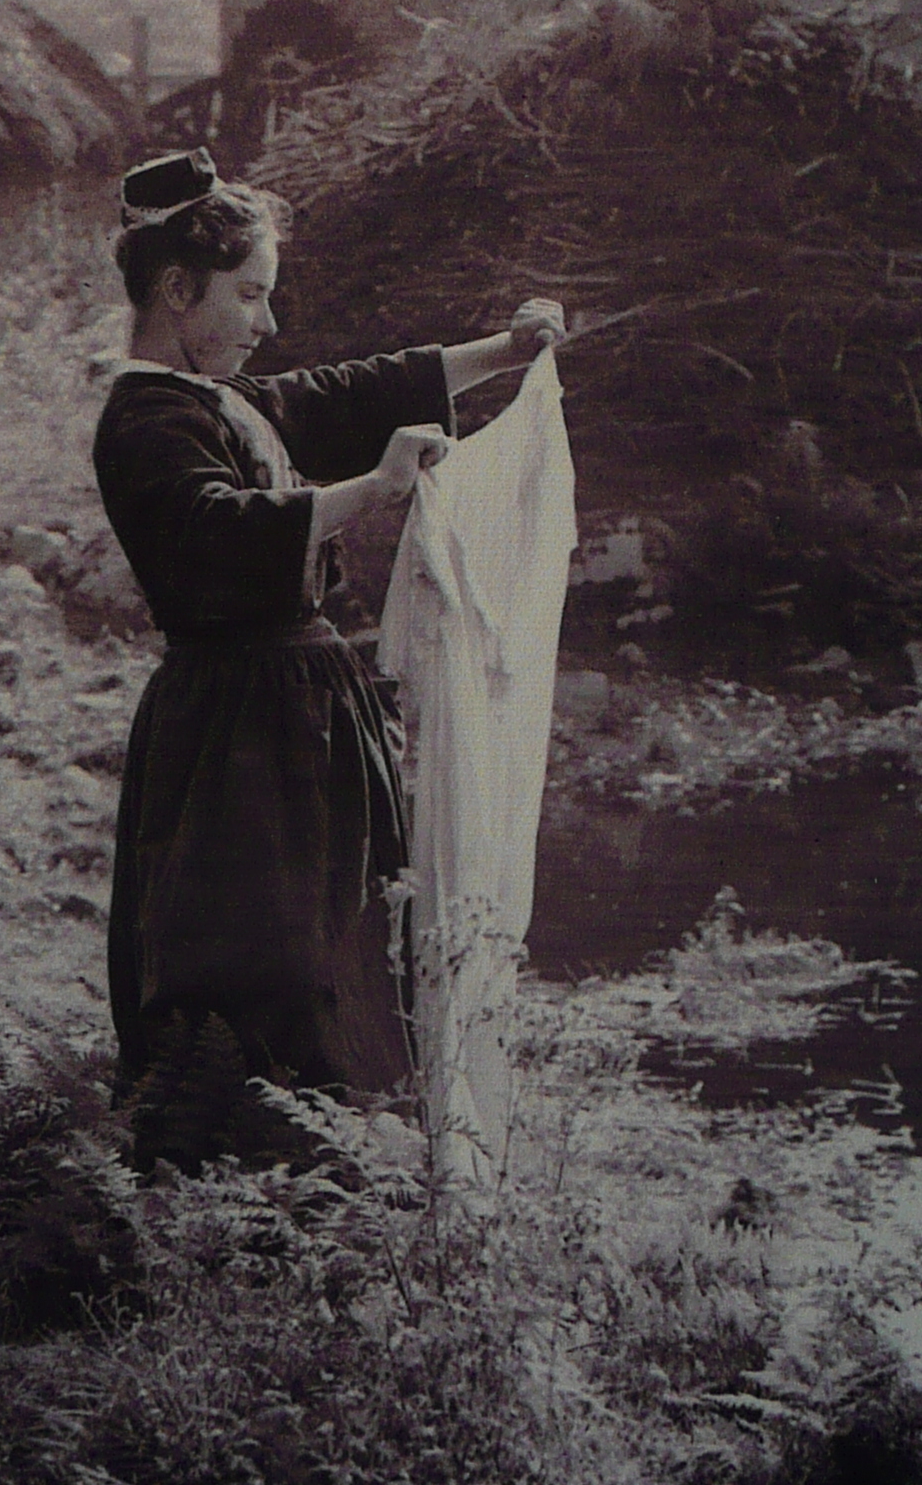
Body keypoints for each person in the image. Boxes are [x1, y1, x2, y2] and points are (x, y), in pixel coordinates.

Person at [93, 145, 562, 1168]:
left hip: (291, 706)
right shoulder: (142, 419)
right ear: (178, 291)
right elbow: (217, 525)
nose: (266, 322)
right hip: (234, 727)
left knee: (338, 935)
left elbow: (347, 390)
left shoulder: (223, 397)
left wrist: (508, 350)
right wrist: (373, 491)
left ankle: (328, 1159)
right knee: (262, 954)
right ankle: (248, 1172)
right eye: (249, 295)